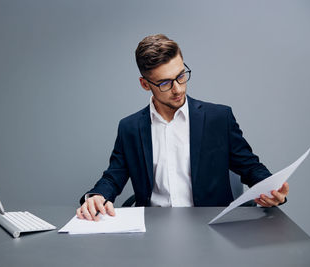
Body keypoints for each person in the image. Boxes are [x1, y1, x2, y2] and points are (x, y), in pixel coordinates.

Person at [76, 34, 289, 221]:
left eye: (180, 76)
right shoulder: (130, 128)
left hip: (211, 229)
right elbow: (113, 177)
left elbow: (250, 167)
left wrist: (270, 187)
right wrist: (97, 197)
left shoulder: (219, 118)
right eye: (165, 83)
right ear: (144, 84)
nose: (177, 89)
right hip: (153, 231)